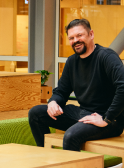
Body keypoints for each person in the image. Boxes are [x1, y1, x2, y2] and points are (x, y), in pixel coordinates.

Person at [29, 19, 124, 151]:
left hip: (108, 120)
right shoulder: (72, 61)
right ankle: (47, 159)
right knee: (36, 114)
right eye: (71, 38)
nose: (75, 40)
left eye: (79, 35)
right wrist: (53, 102)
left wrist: (107, 118)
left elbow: (123, 86)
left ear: (91, 34)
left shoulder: (106, 57)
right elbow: (61, 91)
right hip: (83, 114)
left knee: (71, 136)